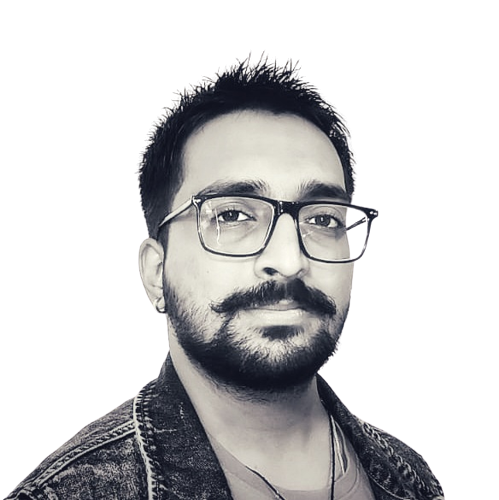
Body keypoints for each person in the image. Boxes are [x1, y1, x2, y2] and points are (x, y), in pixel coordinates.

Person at [6, 53, 445, 500]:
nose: (289, 260)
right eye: (232, 215)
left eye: (323, 219)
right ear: (156, 273)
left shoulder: (411, 472)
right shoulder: (67, 493)